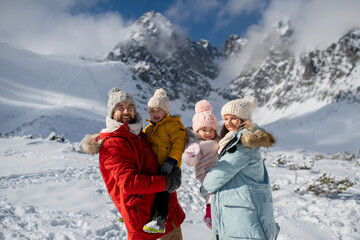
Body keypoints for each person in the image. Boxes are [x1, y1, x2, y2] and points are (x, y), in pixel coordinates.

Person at [82, 87, 185, 240]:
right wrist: (167, 182)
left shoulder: (139, 135)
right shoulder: (113, 144)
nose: (126, 112)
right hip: (143, 222)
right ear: (112, 112)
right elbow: (130, 183)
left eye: (130, 107)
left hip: (168, 215)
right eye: (120, 108)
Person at [200, 96, 280, 240]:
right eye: (225, 118)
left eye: (233, 118)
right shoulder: (235, 139)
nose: (228, 123)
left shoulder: (242, 143)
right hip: (240, 211)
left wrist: (204, 188)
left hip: (243, 213)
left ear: (243, 119)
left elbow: (222, 172)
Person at [142, 88, 186, 234]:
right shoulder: (148, 130)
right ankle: (139, 214)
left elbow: (179, 143)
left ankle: (160, 220)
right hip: (156, 167)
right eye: (152, 111)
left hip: (170, 167)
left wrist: (171, 161)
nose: (155, 114)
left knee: (163, 191)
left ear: (165, 111)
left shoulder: (173, 125)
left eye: (158, 110)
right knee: (147, 189)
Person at [182, 100, 220, 230]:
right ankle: (209, 215)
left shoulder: (217, 140)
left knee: (220, 192)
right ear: (198, 131)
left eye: (211, 130)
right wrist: (190, 155)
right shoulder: (195, 144)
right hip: (205, 172)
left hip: (217, 170)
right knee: (212, 193)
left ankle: (218, 213)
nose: (208, 133)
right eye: (204, 130)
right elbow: (190, 161)